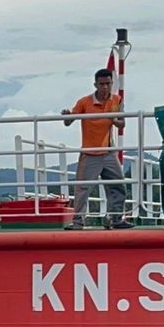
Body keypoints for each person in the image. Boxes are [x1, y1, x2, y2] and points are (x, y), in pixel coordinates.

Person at [61, 67, 130, 229]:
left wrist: (112, 118)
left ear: (112, 84)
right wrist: (66, 115)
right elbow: (69, 121)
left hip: (108, 152)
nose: (105, 87)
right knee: (83, 188)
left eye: (108, 83)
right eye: (102, 84)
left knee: (118, 185)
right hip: (90, 152)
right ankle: (78, 222)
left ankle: (115, 219)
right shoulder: (85, 102)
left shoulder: (116, 100)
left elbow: (122, 123)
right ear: (95, 84)